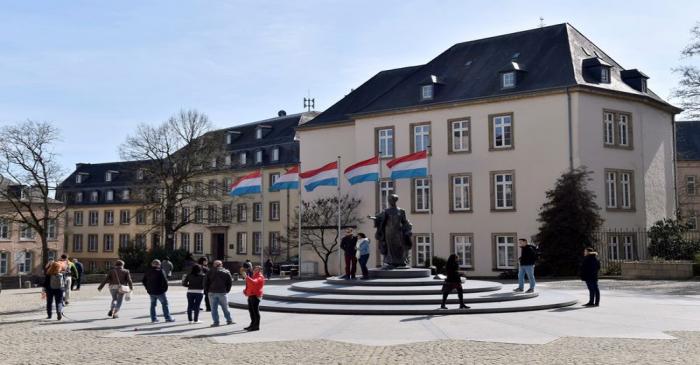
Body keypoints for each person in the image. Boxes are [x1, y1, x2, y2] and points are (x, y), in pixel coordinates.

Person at [206, 260, 233, 327]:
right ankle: (229, 320)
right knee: (225, 307)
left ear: (214, 265)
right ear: (221, 265)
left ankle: (216, 322)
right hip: (222, 292)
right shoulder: (226, 272)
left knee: (213, 308)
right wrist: (227, 290)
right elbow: (229, 282)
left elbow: (205, 282)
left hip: (212, 292)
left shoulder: (209, 272)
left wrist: (207, 290)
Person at [243, 265, 265, 331]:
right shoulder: (254, 276)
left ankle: (256, 326)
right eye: (254, 269)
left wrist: (246, 277)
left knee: (255, 311)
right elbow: (250, 284)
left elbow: (254, 282)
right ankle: (252, 324)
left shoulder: (260, 277)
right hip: (251, 295)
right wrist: (246, 291)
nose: (255, 270)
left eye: (257, 269)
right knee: (251, 311)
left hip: (255, 295)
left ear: (260, 270)